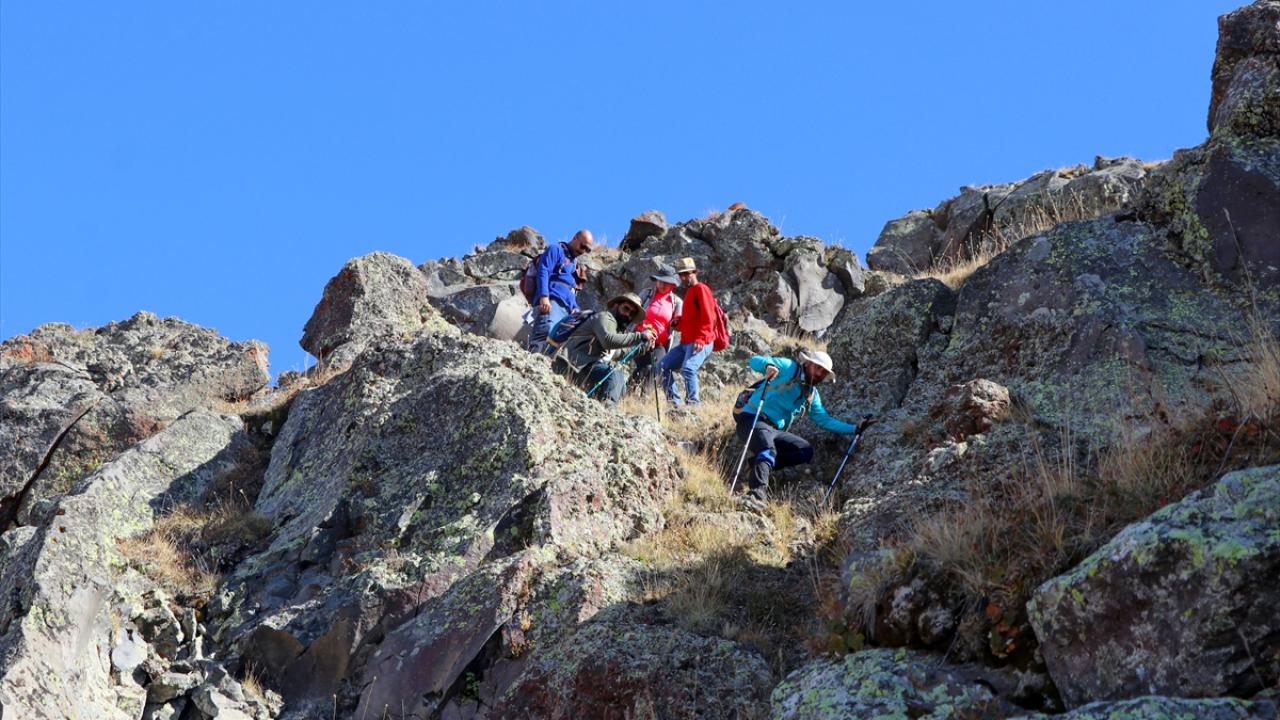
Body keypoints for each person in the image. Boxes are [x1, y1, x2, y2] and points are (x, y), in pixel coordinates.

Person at [733, 350, 875, 509]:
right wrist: (769, 366)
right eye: (818, 368)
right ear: (808, 364)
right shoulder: (788, 368)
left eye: (824, 372)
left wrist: (855, 429)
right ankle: (757, 494)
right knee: (768, 449)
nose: (820, 374)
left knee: (804, 451)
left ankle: (755, 464)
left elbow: (823, 419)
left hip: (773, 429)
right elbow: (754, 361)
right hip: (752, 418)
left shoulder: (811, 394)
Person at [553, 293, 656, 403]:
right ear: (616, 306)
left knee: (621, 386)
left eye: (632, 313)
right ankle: (608, 409)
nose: (627, 314)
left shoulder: (617, 330)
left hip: (585, 369)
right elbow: (608, 340)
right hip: (572, 365)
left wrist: (643, 346)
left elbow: (619, 354)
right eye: (626, 308)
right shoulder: (605, 317)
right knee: (616, 374)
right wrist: (640, 336)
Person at [660, 257, 719, 409]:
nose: (684, 277)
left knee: (688, 369)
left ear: (694, 272)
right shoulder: (689, 293)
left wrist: (702, 337)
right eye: (681, 274)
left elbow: (709, 316)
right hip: (686, 342)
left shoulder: (701, 289)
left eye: (687, 274)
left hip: (700, 341)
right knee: (662, 366)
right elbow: (689, 320)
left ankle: (693, 405)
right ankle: (674, 404)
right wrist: (677, 322)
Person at [526, 230, 595, 353]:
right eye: (582, 246)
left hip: (567, 309)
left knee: (556, 344)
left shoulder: (574, 264)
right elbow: (544, 271)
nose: (582, 250)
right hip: (551, 302)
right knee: (545, 334)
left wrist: (574, 308)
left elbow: (570, 291)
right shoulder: (556, 250)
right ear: (575, 238)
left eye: (587, 249)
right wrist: (544, 296)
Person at [627, 264, 682, 396]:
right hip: (640, 337)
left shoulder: (677, 302)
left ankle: (643, 395)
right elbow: (634, 311)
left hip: (660, 343)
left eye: (666, 282)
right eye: (660, 281)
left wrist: (677, 323)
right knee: (646, 366)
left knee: (659, 366)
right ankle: (629, 392)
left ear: (673, 285)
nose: (662, 285)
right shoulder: (646, 293)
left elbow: (678, 323)